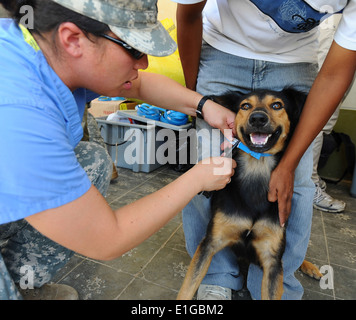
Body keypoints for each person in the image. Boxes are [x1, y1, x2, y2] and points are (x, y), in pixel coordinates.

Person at [0, 0, 237, 300]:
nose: (144, 63)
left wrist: (203, 106)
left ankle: (23, 282)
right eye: (134, 50)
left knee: (92, 161)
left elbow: (136, 86)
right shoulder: (19, 108)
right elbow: (106, 239)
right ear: (73, 39)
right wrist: (197, 178)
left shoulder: (41, 48)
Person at [173, 0, 355, 300]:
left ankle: (276, 280)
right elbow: (189, 14)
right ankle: (218, 277)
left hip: (294, 65)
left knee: (298, 184)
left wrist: (287, 165)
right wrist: (198, 100)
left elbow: (336, 73)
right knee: (205, 169)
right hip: (222, 53)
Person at [312, 14, 346, 213]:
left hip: (346, 22)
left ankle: (309, 177)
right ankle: (309, 184)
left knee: (328, 116)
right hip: (331, 19)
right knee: (318, 112)